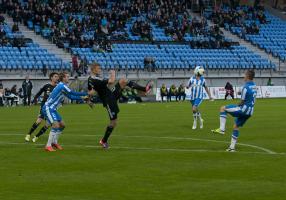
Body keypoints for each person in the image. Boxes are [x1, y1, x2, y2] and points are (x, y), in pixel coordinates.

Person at [88, 63, 153, 149]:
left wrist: (89, 100)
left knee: (123, 81)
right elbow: (111, 82)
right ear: (93, 70)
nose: (100, 70)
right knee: (114, 122)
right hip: (108, 101)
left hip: (111, 95)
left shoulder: (91, 79)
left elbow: (90, 91)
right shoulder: (95, 79)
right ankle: (103, 141)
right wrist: (113, 73)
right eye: (98, 68)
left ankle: (144, 89)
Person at [42, 72, 89, 152]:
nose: (69, 78)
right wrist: (86, 93)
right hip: (48, 108)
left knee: (62, 125)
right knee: (56, 125)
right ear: (63, 78)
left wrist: (83, 98)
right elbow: (72, 93)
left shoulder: (62, 86)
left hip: (53, 109)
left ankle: (54, 143)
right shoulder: (61, 86)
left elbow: (71, 97)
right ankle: (48, 145)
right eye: (67, 77)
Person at [212, 70, 257, 152]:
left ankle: (222, 129)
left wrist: (238, 104)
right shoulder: (254, 86)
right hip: (250, 112)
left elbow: (242, 101)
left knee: (223, 108)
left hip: (243, 109)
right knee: (236, 126)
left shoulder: (245, 87)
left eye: (244, 74)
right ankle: (232, 148)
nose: (244, 76)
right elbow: (249, 96)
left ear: (247, 76)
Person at [25, 73, 59, 143]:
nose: (57, 78)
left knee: (48, 124)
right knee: (39, 120)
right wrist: (34, 100)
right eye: (55, 76)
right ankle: (28, 134)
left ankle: (36, 136)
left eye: (57, 77)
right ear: (51, 78)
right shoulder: (46, 86)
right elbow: (39, 93)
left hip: (51, 108)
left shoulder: (58, 87)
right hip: (44, 106)